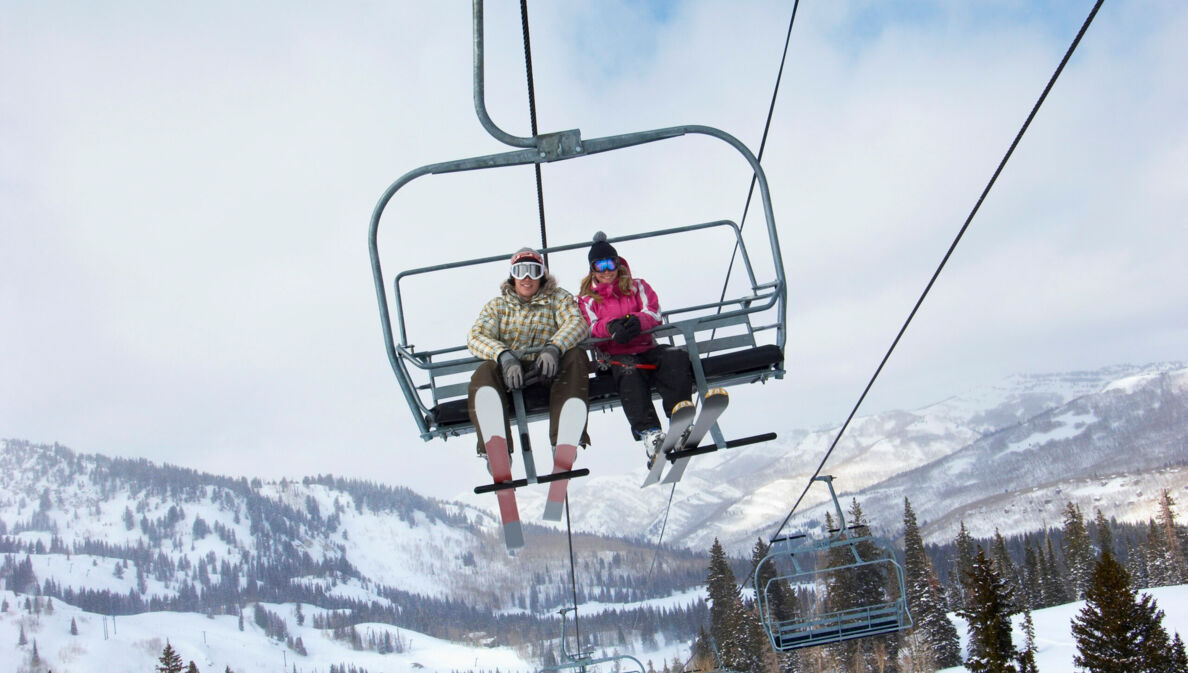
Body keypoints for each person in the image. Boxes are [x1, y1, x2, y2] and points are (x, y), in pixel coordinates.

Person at [577, 232, 693, 460]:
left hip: (647, 347)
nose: (607, 270)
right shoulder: (586, 299)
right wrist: (611, 328)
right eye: (600, 266)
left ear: (618, 263)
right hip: (616, 356)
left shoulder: (637, 286)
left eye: (611, 263)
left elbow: (653, 311)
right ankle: (650, 433)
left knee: (675, 357)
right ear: (593, 270)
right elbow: (590, 326)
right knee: (629, 374)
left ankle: (679, 418)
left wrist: (637, 322)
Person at [466, 247, 590, 457]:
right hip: (510, 377)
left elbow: (577, 323)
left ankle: (565, 438)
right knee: (485, 371)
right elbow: (475, 337)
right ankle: (495, 447)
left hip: (550, 370)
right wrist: (504, 356)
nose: (526, 278)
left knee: (576, 356)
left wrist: (554, 348)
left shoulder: (557, 298)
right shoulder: (498, 306)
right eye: (520, 270)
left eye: (533, 271)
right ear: (512, 275)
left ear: (542, 274)